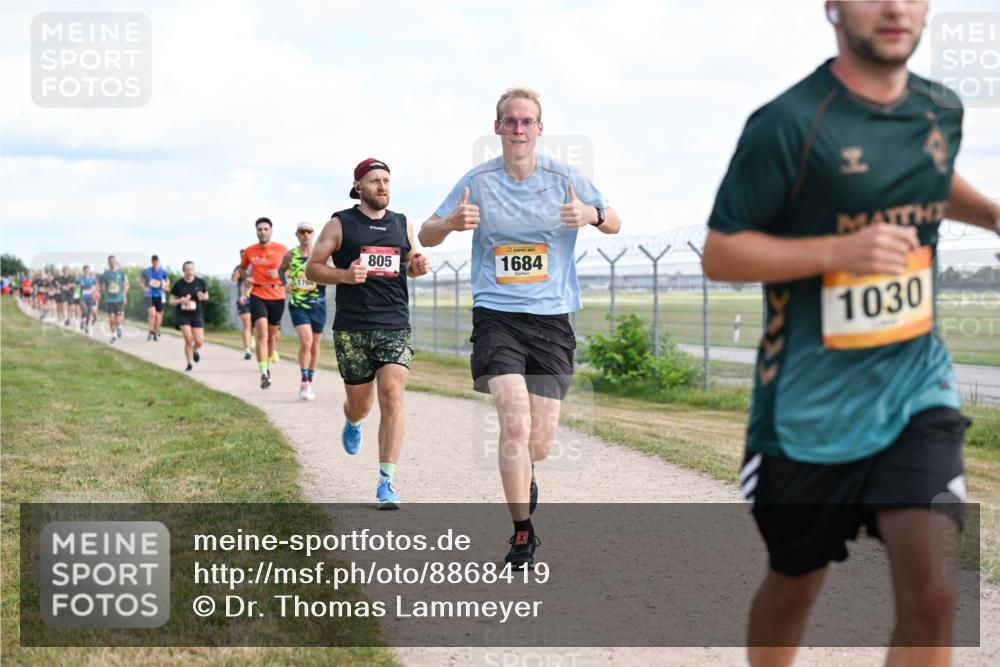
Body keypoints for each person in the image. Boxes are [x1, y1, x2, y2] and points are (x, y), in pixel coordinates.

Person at [700, 3, 1000, 666]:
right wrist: (840, 251)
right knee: (794, 584)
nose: (895, 8)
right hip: (806, 415)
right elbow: (721, 253)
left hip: (915, 387)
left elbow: (929, 175)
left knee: (933, 596)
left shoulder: (941, 109)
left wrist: (992, 213)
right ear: (832, 6)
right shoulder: (788, 124)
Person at [419, 88, 621, 565]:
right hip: (496, 315)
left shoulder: (564, 177)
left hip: (551, 318)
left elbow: (614, 220)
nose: (517, 129)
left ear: (539, 128)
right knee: (513, 417)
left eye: (526, 121)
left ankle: (527, 470)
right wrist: (450, 223)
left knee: (540, 442)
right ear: (497, 128)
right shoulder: (478, 181)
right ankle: (522, 533)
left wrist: (590, 215)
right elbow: (426, 232)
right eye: (509, 121)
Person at [307, 158, 430, 508]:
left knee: (392, 395)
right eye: (375, 180)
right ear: (358, 186)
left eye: (387, 180)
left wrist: (417, 266)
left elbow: (410, 265)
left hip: (394, 324)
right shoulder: (339, 224)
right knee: (361, 405)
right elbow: (313, 268)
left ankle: (386, 482)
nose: (382, 186)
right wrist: (345, 276)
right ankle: (353, 420)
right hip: (352, 327)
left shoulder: (403, 223)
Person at [280, 221, 328, 401]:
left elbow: (332, 270)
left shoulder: (322, 254)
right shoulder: (290, 255)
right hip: (298, 304)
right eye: (302, 232)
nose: (306, 234)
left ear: (313, 234)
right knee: (306, 341)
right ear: (297, 235)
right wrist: (285, 284)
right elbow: (280, 271)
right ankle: (304, 382)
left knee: (315, 345)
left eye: (309, 231)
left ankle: (310, 380)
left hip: (318, 304)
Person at [241, 217, 288, 389]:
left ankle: (267, 365)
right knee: (262, 333)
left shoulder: (282, 249)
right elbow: (242, 268)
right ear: (256, 231)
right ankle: (263, 373)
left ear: (271, 231)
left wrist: (280, 274)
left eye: (265, 229)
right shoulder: (249, 250)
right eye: (260, 229)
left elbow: (292, 271)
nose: (263, 232)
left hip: (277, 295)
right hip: (258, 294)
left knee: (272, 336)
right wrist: (246, 278)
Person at [168, 261, 209, 372]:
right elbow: (171, 301)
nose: (190, 272)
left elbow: (206, 295)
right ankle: (189, 364)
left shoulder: (200, 282)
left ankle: (194, 350)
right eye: (187, 270)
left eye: (192, 269)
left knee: (199, 341)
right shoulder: (178, 284)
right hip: (183, 314)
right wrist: (179, 300)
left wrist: (203, 297)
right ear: (184, 271)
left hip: (196, 313)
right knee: (188, 339)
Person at [99, 256, 128, 343]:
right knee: (111, 319)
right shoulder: (106, 274)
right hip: (109, 299)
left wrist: (124, 296)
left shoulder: (121, 273)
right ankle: (114, 336)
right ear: (108, 263)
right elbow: (101, 284)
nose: (112, 263)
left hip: (119, 299)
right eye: (110, 261)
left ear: (115, 262)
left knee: (118, 320)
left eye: (113, 261)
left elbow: (126, 285)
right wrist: (103, 288)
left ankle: (119, 327)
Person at [140, 255, 170, 341]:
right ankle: (150, 331)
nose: (155, 264)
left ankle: (156, 331)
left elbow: (167, 281)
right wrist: (144, 287)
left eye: (156, 262)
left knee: (158, 315)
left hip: (159, 296)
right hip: (149, 295)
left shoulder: (163, 271)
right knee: (152, 313)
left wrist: (165, 285)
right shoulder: (146, 271)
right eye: (154, 262)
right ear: (151, 262)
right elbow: (140, 280)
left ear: (158, 262)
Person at [231, 250, 254, 360]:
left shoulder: (255, 267)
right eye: (242, 256)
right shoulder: (238, 267)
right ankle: (247, 350)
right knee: (247, 324)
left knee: (254, 326)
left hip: (256, 299)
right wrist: (241, 269)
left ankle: (251, 337)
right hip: (242, 300)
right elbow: (233, 279)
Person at [76, 265, 98, 334]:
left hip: (90, 297)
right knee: (85, 310)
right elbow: (76, 285)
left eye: (88, 270)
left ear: (89, 271)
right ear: (83, 271)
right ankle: (83, 321)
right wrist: (80, 284)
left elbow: (95, 286)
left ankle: (86, 326)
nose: (87, 271)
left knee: (89, 312)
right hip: (82, 297)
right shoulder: (80, 278)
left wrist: (93, 288)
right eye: (85, 270)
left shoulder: (92, 278)